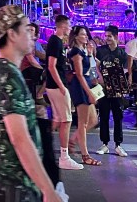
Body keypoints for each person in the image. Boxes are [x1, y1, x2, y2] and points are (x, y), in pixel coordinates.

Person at [0, 5, 60, 202]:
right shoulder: (8, 76)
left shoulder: (6, 70)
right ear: (12, 34)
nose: (32, 35)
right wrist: (48, 191)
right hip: (12, 185)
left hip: (7, 183)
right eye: (26, 29)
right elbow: (20, 139)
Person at [21, 22, 60, 190]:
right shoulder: (26, 44)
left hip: (33, 69)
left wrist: (53, 57)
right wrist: (45, 69)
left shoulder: (35, 43)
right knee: (49, 74)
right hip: (27, 70)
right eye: (28, 30)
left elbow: (41, 56)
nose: (31, 32)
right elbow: (31, 60)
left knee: (51, 71)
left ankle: (39, 95)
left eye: (33, 30)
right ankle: (38, 95)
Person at [44, 15, 81, 170]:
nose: (70, 29)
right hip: (56, 86)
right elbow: (51, 66)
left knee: (59, 119)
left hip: (54, 85)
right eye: (69, 26)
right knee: (66, 120)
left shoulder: (57, 41)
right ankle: (64, 157)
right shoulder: (55, 41)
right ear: (64, 26)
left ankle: (40, 145)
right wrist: (61, 86)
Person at [66, 25, 101, 166]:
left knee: (93, 120)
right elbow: (79, 74)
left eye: (86, 34)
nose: (86, 37)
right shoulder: (76, 52)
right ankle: (85, 155)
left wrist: (90, 54)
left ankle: (73, 140)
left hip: (85, 83)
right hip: (80, 86)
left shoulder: (83, 50)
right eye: (82, 34)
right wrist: (89, 92)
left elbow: (89, 68)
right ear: (76, 37)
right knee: (83, 122)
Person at [94, 24, 129, 157]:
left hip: (116, 87)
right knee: (103, 114)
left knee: (117, 115)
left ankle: (118, 145)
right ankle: (105, 144)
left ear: (116, 37)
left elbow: (125, 69)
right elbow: (96, 66)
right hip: (103, 87)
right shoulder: (100, 50)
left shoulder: (122, 53)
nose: (107, 38)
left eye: (109, 36)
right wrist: (100, 77)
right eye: (106, 36)